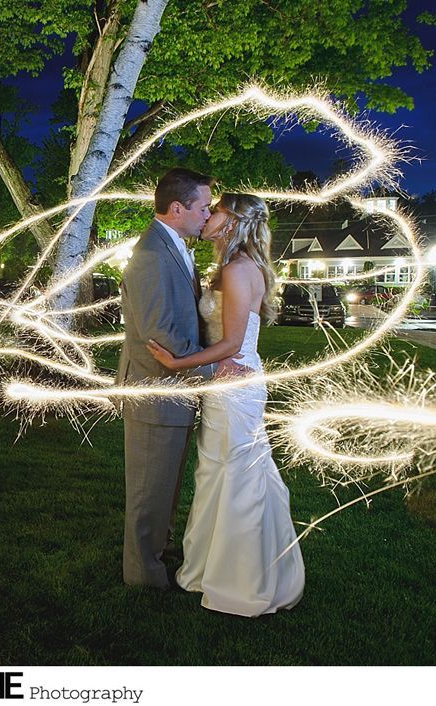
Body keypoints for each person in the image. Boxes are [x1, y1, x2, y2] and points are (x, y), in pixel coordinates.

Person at [146, 192, 305, 616]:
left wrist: (179, 362)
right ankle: (210, 568)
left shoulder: (237, 271)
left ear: (232, 221)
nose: (208, 214)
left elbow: (232, 343)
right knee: (216, 472)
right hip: (228, 384)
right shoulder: (229, 268)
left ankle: (241, 580)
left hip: (236, 386)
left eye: (215, 209)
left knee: (235, 476)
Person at [116, 168, 246, 590]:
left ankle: (159, 550)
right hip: (157, 392)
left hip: (174, 391)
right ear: (177, 208)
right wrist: (214, 368)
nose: (207, 214)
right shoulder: (153, 255)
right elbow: (162, 336)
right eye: (203, 206)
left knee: (164, 484)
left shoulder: (172, 247)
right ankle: (144, 578)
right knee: (149, 491)